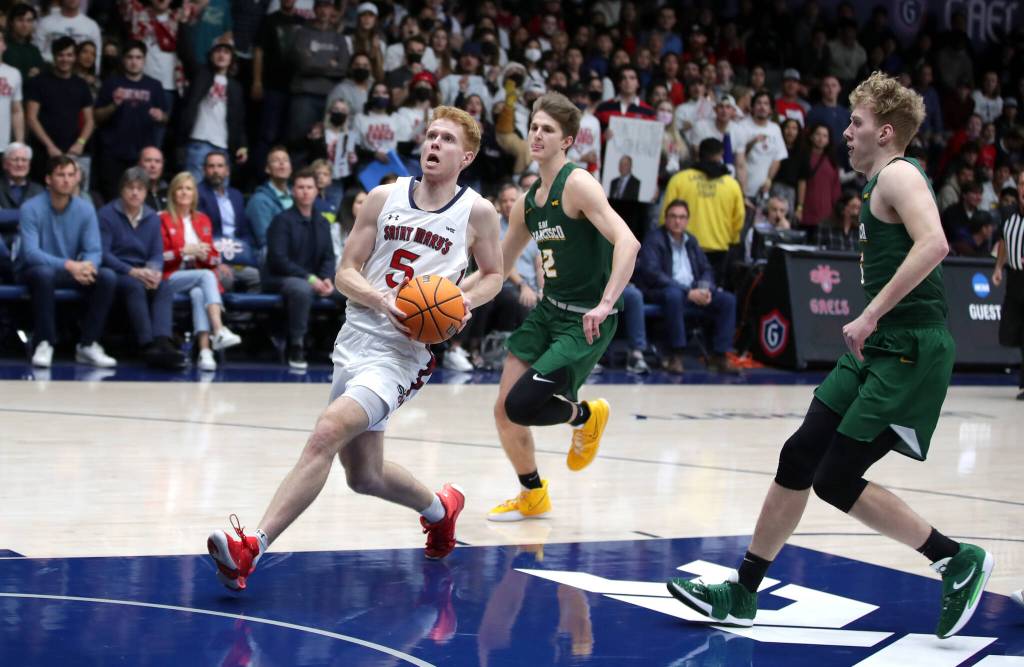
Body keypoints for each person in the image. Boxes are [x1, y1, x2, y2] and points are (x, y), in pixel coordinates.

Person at [667, 72, 993, 641]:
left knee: (836, 479)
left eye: (856, 122)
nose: (846, 131)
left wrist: (870, 314)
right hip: (879, 347)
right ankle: (743, 591)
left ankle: (955, 558)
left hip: (910, 349)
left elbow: (935, 244)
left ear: (885, 133)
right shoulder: (875, 186)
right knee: (798, 456)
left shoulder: (899, 173)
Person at [206, 106, 503, 590]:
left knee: (326, 432)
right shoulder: (384, 197)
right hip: (356, 337)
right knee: (363, 475)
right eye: (431, 135)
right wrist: (381, 299)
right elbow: (345, 271)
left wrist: (462, 301)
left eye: (447, 139)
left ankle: (250, 548)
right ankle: (441, 509)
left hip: (403, 353)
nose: (434, 144)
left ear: (466, 157)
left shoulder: (478, 212)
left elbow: (493, 276)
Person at [463, 92, 639, 522]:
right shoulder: (528, 203)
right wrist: (456, 297)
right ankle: (533, 494)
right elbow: (497, 269)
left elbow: (628, 242)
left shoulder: (578, 185)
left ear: (567, 141)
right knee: (503, 409)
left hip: (585, 321)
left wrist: (605, 303)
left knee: (521, 406)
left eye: (548, 129)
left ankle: (585, 416)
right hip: (547, 312)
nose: (537, 135)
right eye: (534, 127)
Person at [18, 155, 116, 368]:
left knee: (107, 277)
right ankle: (44, 342)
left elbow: (94, 250)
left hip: (72, 270)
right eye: (61, 175)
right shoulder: (30, 208)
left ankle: (88, 344)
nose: (66, 180)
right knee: (43, 274)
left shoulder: (86, 208)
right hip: (37, 270)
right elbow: (31, 253)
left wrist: (88, 267)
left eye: (71, 175)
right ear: (48, 179)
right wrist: (70, 266)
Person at [635, 199, 738, 374]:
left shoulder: (691, 241)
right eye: (673, 216)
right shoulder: (654, 239)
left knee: (728, 300)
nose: (677, 221)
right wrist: (688, 292)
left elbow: (706, 269)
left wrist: (705, 289)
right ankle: (676, 355)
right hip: (663, 291)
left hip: (692, 291)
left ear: (687, 220)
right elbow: (653, 273)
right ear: (666, 218)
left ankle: (719, 355)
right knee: (674, 295)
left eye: (682, 217)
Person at [97, 166, 184, 368]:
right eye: (130, 188)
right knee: (134, 285)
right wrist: (132, 271)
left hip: (142, 270)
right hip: (117, 271)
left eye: (140, 188)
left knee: (163, 285)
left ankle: (163, 341)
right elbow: (103, 254)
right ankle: (147, 344)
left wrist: (154, 272)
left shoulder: (152, 217)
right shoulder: (106, 214)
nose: (135, 193)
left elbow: (156, 252)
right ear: (122, 190)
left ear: (146, 192)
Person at [159, 172, 243, 371]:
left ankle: (205, 352)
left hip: (196, 278)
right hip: (170, 277)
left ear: (194, 194)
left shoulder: (203, 219)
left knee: (199, 293)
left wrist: (203, 255)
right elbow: (159, 257)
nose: (184, 192)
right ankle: (219, 329)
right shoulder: (162, 218)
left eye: (188, 188)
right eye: (180, 188)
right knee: (206, 276)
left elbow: (215, 258)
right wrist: (183, 252)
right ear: (173, 193)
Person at [262, 166, 343, 370]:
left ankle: (340, 346)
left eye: (309, 187)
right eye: (300, 187)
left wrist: (326, 277)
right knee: (301, 289)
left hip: (316, 279)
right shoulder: (281, 221)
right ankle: (296, 346)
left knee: (348, 291)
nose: (305, 191)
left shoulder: (322, 222)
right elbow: (278, 260)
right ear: (293, 191)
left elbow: (328, 257)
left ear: (316, 191)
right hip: (281, 278)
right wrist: (311, 279)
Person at [93, 40, 168, 201]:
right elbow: (97, 116)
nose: (134, 62)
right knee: (113, 199)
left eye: (138, 57)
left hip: (142, 155)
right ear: (123, 59)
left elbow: (166, 117)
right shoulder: (111, 83)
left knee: (140, 198)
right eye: (130, 57)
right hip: (113, 153)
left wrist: (160, 116)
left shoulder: (154, 85)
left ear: (144, 60)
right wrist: (114, 105)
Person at [24, 36, 94, 182]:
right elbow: (31, 118)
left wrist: (80, 143)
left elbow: (90, 121)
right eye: (61, 55)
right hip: (42, 151)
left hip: (71, 152)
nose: (65, 59)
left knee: (70, 189)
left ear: (75, 57)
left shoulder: (81, 85)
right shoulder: (38, 82)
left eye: (69, 55)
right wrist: (50, 146)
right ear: (54, 57)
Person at [196, 150, 260, 292]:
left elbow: (245, 231)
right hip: (213, 258)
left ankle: (244, 308)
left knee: (257, 277)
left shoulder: (236, 195)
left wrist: (246, 253)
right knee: (226, 278)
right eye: (211, 166)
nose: (215, 170)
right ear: (204, 170)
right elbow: (200, 234)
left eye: (220, 166)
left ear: (227, 171)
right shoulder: (198, 194)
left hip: (237, 256)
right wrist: (215, 262)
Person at [992, 171, 1024, 400]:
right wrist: (998, 268)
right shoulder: (1007, 213)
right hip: (1014, 278)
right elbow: (1004, 240)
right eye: (1022, 184)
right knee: (1012, 332)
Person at [246, 146, 292, 248]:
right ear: (267, 169)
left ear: (290, 168)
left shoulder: (298, 196)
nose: (281, 163)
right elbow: (265, 240)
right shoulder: (259, 200)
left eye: (285, 160)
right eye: (276, 160)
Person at [138, 146, 168, 212]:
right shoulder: (133, 193)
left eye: (157, 161)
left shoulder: (170, 192)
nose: (153, 166)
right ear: (139, 164)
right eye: (148, 161)